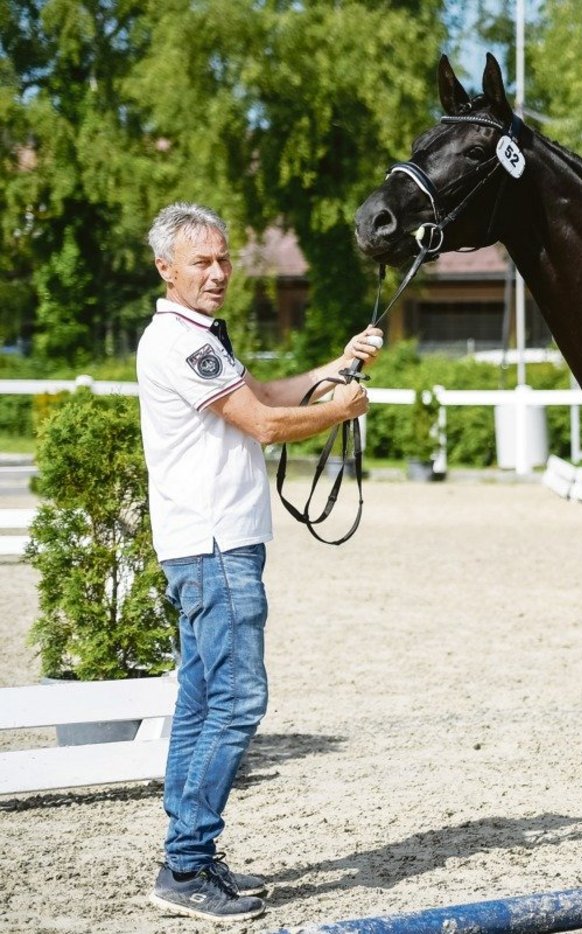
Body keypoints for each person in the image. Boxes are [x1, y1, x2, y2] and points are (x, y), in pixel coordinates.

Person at [137, 203, 382, 922]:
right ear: (166, 270)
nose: (217, 274)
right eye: (200, 263)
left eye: (221, 260)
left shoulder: (195, 338)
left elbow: (264, 396)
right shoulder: (181, 342)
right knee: (239, 702)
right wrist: (340, 411)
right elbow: (269, 425)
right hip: (214, 548)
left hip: (210, 544)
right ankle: (186, 864)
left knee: (201, 703)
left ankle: (189, 857)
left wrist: (337, 366)